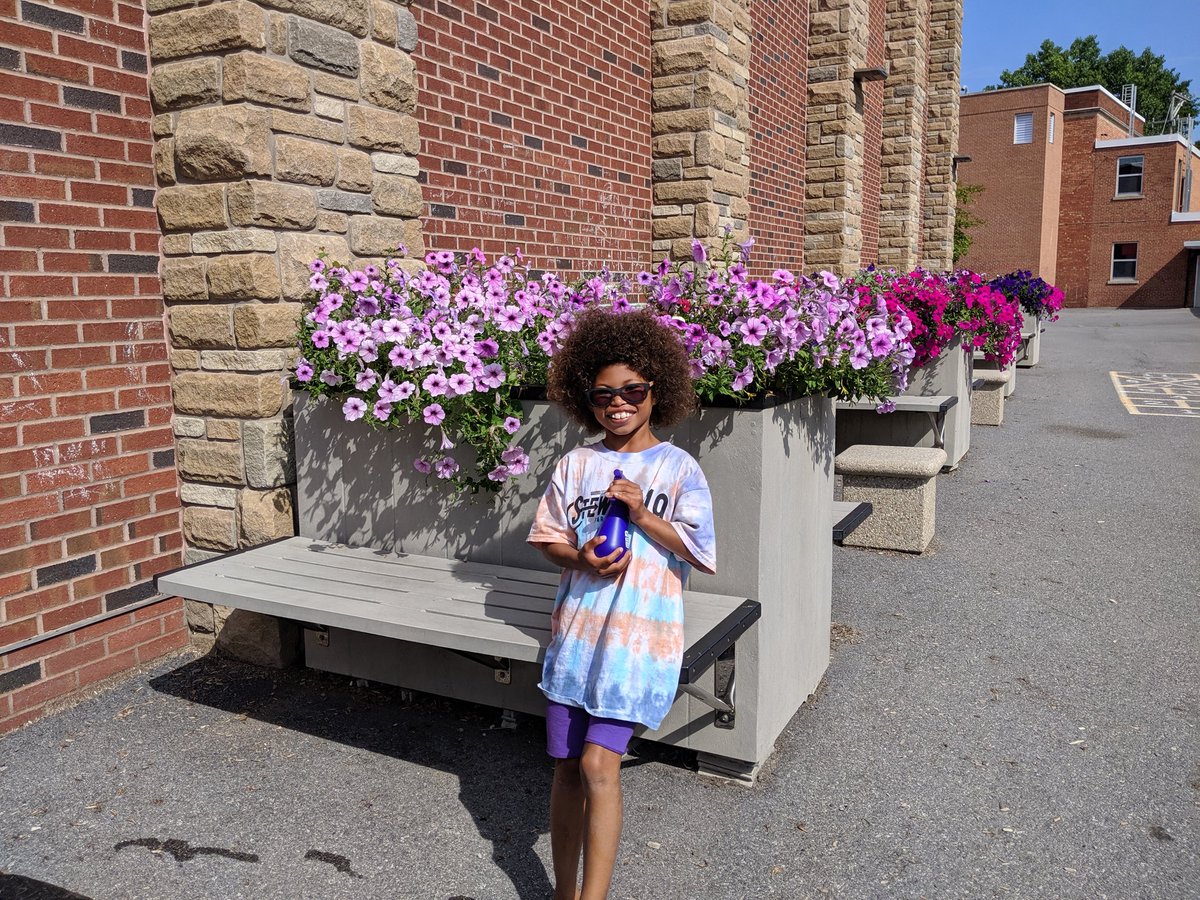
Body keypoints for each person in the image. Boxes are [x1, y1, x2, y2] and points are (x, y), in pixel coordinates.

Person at [527, 308, 717, 900]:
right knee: (565, 768)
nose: (618, 403)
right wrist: (580, 558)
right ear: (587, 399)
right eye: (604, 393)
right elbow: (547, 538)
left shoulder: (678, 467)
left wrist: (642, 514)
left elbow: (701, 549)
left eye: (632, 390)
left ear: (655, 391)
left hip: (637, 646)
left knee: (597, 766)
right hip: (578, 640)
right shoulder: (576, 464)